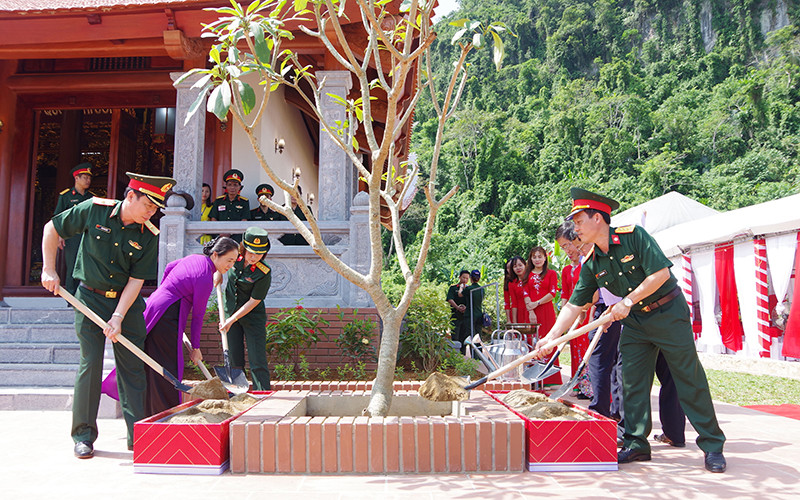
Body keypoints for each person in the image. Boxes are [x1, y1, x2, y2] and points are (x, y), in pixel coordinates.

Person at [535, 187, 726, 473]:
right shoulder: (592, 262)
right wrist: (552, 337)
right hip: (635, 323)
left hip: (667, 313)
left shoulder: (633, 236)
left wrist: (627, 300)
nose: (575, 228)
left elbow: (660, 273)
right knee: (631, 381)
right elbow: (574, 305)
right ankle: (636, 443)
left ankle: (712, 444)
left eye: (578, 221)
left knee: (688, 377)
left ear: (598, 218)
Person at [41, 171, 176, 459]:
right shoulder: (94, 209)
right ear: (130, 196)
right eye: (148, 206)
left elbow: (136, 281)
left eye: (155, 209)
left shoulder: (149, 235)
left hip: (126, 307)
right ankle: (83, 436)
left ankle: (137, 436)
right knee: (90, 365)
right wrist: (49, 269)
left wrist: (117, 317)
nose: (151, 213)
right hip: (89, 298)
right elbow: (52, 229)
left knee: (132, 370)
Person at [142, 236, 239, 415]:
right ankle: (166, 413)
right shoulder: (204, 278)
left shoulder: (195, 258)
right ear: (216, 255)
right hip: (168, 313)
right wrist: (195, 348)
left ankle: (152, 411)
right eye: (229, 260)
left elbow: (169, 267)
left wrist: (166, 288)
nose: (230, 266)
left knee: (153, 360)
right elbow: (198, 316)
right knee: (168, 365)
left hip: (156, 304)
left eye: (234, 261)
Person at [221, 227, 273, 390]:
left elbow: (254, 301)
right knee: (234, 358)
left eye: (259, 254)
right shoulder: (234, 257)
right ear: (244, 248)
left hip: (252, 317)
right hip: (230, 312)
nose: (254, 257)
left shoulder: (264, 272)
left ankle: (262, 393)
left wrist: (232, 319)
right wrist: (216, 273)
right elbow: (216, 261)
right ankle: (237, 393)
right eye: (251, 252)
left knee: (257, 358)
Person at [523, 247, 562, 386]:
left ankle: (551, 379)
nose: (537, 259)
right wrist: (531, 310)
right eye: (534, 257)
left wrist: (537, 303)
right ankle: (534, 379)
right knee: (532, 342)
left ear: (545, 258)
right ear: (531, 259)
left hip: (547, 312)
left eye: (540, 256)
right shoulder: (527, 276)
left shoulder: (551, 273)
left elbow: (552, 292)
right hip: (532, 314)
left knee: (549, 342)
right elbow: (525, 294)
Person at [53, 162, 94, 295]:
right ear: (76, 178)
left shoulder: (91, 197)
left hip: (87, 235)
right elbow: (58, 217)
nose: (88, 180)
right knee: (72, 265)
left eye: (89, 178)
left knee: (86, 265)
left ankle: (83, 295)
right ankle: (71, 295)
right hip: (72, 236)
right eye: (85, 177)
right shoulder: (66, 196)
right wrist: (59, 236)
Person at [209, 169, 250, 242]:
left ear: (240, 187)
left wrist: (231, 232)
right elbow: (213, 218)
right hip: (220, 236)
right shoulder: (218, 201)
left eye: (235, 185)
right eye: (230, 185)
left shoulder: (244, 202)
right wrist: (221, 232)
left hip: (237, 237)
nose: (232, 188)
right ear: (226, 187)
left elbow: (244, 220)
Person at [446, 270, 470, 353]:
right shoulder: (453, 288)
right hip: (455, 317)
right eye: (463, 277)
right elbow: (450, 299)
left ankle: (463, 357)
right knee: (455, 338)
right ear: (459, 277)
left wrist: (466, 308)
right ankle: (454, 356)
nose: (465, 280)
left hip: (465, 318)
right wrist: (457, 307)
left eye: (467, 278)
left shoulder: (469, 289)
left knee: (463, 339)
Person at [465, 269, 485, 341]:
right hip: (479, 314)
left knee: (470, 335)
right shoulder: (482, 289)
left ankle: (471, 351)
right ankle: (479, 351)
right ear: (479, 278)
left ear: (470, 278)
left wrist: (462, 287)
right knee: (478, 335)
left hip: (470, 314)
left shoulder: (469, 289)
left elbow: (460, 294)